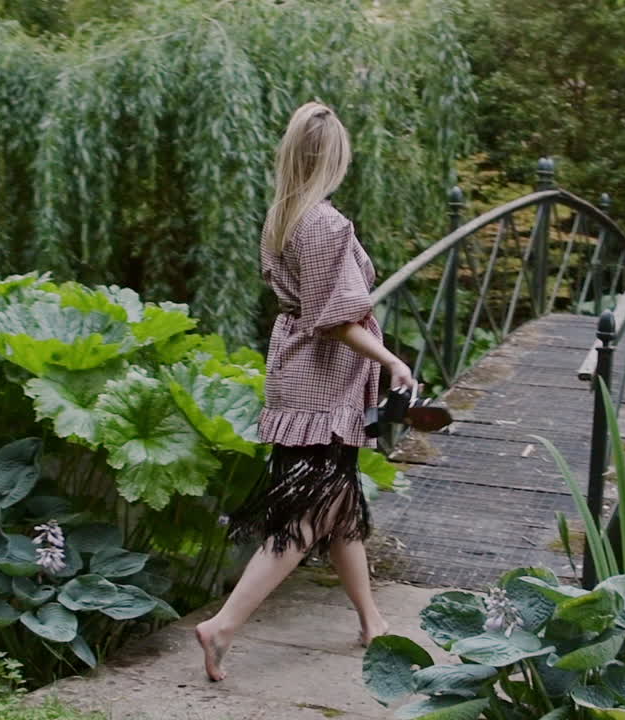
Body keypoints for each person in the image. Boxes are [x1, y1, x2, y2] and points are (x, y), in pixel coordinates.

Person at [195, 102, 416, 682]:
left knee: (338, 505)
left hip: (301, 368)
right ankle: (222, 626)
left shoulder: (284, 215)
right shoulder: (326, 224)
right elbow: (337, 319)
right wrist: (393, 360)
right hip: (320, 376)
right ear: (334, 158)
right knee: (304, 516)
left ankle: (372, 621)